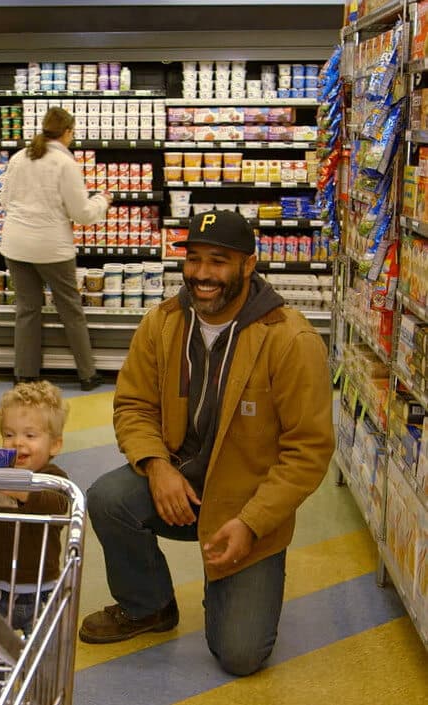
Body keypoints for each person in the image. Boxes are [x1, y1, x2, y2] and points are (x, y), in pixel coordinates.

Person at [79, 210, 334, 677]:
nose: (201, 274)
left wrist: (253, 524)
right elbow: (133, 404)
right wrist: (157, 465)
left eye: (218, 261)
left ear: (248, 264)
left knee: (240, 655)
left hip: (246, 506)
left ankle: (240, 582)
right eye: (194, 259)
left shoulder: (290, 339)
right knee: (108, 497)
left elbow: (309, 450)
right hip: (180, 486)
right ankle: (148, 604)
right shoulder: (164, 322)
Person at [0, 380, 70, 696]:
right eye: (8, 434)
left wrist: (8, 484)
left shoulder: (56, 480)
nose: (16, 443)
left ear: (54, 445)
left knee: (44, 671)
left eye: (30, 435)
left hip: (41, 594)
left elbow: (56, 505)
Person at [0, 107, 112, 391]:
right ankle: (87, 374)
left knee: (27, 309)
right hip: (52, 247)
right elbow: (83, 213)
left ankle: (24, 375)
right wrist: (103, 201)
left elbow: (4, 200)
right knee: (70, 309)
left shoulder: (19, 157)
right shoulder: (65, 164)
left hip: (15, 243)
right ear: (67, 132)